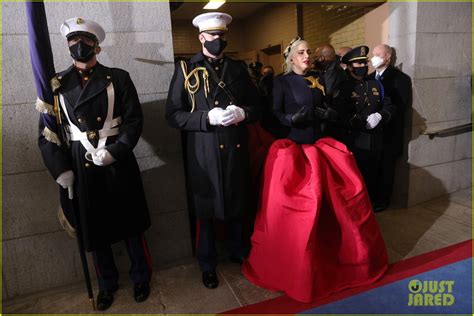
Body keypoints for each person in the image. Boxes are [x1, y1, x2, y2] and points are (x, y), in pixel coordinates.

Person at [242, 38, 388, 303]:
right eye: (301, 52)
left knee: (331, 208)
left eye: (309, 51)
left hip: (319, 148)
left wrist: (329, 114)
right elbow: (272, 113)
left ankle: (333, 258)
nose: (307, 55)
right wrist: (289, 119)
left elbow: (330, 105)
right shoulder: (281, 82)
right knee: (297, 213)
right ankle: (295, 264)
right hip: (293, 152)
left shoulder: (319, 78)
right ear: (291, 58)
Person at [37, 18, 152, 310]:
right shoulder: (57, 85)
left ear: (97, 46)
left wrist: (118, 149)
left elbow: (134, 120)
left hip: (116, 159)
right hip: (81, 162)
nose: (78, 46)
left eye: (85, 41)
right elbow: (47, 132)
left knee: (129, 224)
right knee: (94, 228)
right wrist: (60, 169)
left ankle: (140, 275)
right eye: (73, 41)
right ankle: (107, 284)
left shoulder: (119, 77)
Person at [165, 12, 260, 289]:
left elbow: (258, 107)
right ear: (201, 37)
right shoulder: (184, 69)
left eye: (221, 35)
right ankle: (207, 263)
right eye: (212, 35)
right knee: (206, 209)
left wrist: (243, 113)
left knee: (238, 203)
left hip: (235, 147)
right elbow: (173, 115)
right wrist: (206, 118)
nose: (217, 40)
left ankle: (238, 251)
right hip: (204, 151)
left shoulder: (238, 69)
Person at [334, 46, 397, 204]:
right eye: (358, 64)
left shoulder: (376, 85)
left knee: (373, 176)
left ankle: (371, 206)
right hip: (354, 141)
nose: (363, 66)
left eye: (364, 63)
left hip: (375, 140)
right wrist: (359, 122)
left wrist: (379, 115)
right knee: (355, 179)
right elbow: (339, 115)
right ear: (349, 67)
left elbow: (390, 106)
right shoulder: (343, 88)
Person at [369, 44, 412, 211]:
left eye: (378, 54)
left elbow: (401, 105)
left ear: (388, 57)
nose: (374, 58)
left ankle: (382, 201)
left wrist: (381, 115)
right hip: (372, 134)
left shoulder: (401, 78)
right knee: (373, 168)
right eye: (373, 54)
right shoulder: (370, 78)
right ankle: (371, 198)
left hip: (389, 133)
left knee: (387, 169)